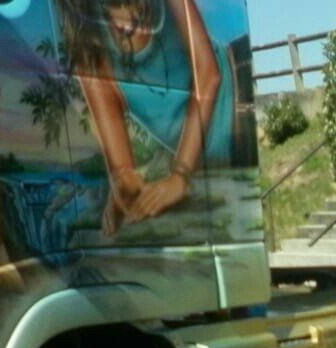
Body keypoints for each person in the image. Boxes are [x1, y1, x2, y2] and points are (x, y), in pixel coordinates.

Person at [55, 0, 235, 235]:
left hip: (231, 111)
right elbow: (119, 157)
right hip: (186, 152)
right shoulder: (85, 34)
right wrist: (122, 184)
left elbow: (208, 74)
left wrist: (180, 174)